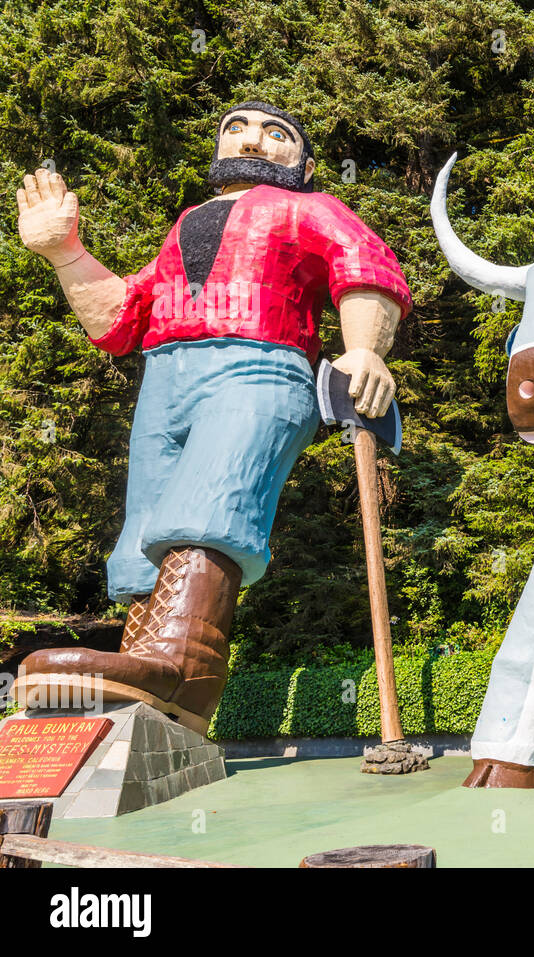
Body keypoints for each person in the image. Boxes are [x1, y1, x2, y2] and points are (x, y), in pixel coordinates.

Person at [14, 102, 412, 733]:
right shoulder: (186, 225)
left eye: (274, 133)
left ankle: (183, 664)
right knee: (146, 523)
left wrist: (363, 345)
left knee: (213, 496)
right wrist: (66, 253)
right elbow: (119, 320)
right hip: (165, 376)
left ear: (302, 163)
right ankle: (152, 672)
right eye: (237, 128)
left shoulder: (310, 208)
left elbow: (361, 264)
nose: (251, 139)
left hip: (260, 365)